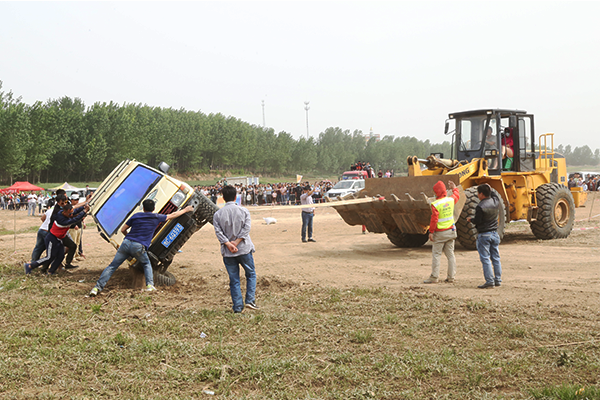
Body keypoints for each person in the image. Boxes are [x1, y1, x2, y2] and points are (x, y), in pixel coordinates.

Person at [89, 200, 193, 296]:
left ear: (143, 208)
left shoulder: (136, 216)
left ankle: (97, 288)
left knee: (112, 267)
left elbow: (123, 229)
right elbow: (173, 215)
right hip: (139, 246)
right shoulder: (156, 217)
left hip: (126, 243)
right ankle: (150, 286)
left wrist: (129, 237)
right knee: (146, 264)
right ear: (153, 208)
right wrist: (186, 210)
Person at [213, 185, 258, 313]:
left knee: (234, 280)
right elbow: (246, 228)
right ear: (235, 196)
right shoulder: (244, 211)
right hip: (243, 249)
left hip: (228, 252)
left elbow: (218, 232)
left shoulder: (217, 214)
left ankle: (238, 307)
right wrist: (237, 242)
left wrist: (228, 244)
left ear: (223, 197)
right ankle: (250, 300)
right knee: (251, 274)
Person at [24, 202, 89, 275]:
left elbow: (74, 212)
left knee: (60, 256)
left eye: (71, 213)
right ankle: (30, 266)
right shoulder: (62, 220)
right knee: (49, 257)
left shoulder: (65, 213)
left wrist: (83, 208)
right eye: (70, 214)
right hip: (52, 238)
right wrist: (85, 211)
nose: (71, 215)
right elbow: (75, 219)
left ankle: (51, 271)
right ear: (65, 212)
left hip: (59, 239)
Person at [423, 180, 460, 284]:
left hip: (440, 234)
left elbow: (434, 220)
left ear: (436, 193)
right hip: (451, 232)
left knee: (436, 254)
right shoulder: (451, 200)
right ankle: (451, 277)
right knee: (450, 255)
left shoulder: (435, 204)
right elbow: (457, 195)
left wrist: (431, 232)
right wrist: (454, 188)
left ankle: (434, 277)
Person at [467, 183, 502, 289]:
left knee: (485, 258)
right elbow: (494, 194)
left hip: (484, 235)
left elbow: (477, 221)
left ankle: (489, 281)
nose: (478, 195)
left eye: (478, 193)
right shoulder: (496, 202)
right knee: (495, 258)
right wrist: (489, 188)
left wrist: (470, 220)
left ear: (481, 194)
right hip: (495, 234)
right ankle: (498, 280)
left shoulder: (480, 206)